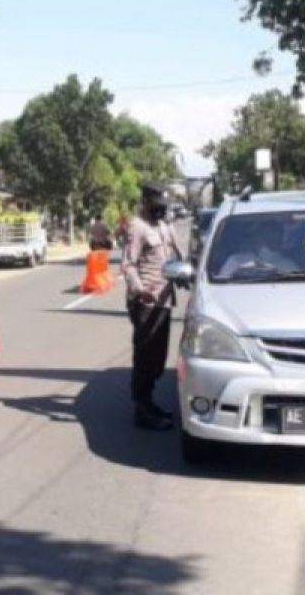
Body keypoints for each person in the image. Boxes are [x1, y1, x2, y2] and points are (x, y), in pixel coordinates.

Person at [121, 182, 185, 430]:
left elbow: (175, 258)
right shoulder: (137, 228)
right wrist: (140, 289)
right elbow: (128, 264)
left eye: (164, 206)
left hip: (164, 300)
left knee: (159, 358)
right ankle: (142, 408)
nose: (162, 210)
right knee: (146, 355)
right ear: (146, 201)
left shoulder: (164, 226)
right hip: (146, 301)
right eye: (158, 205)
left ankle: (149, 402)